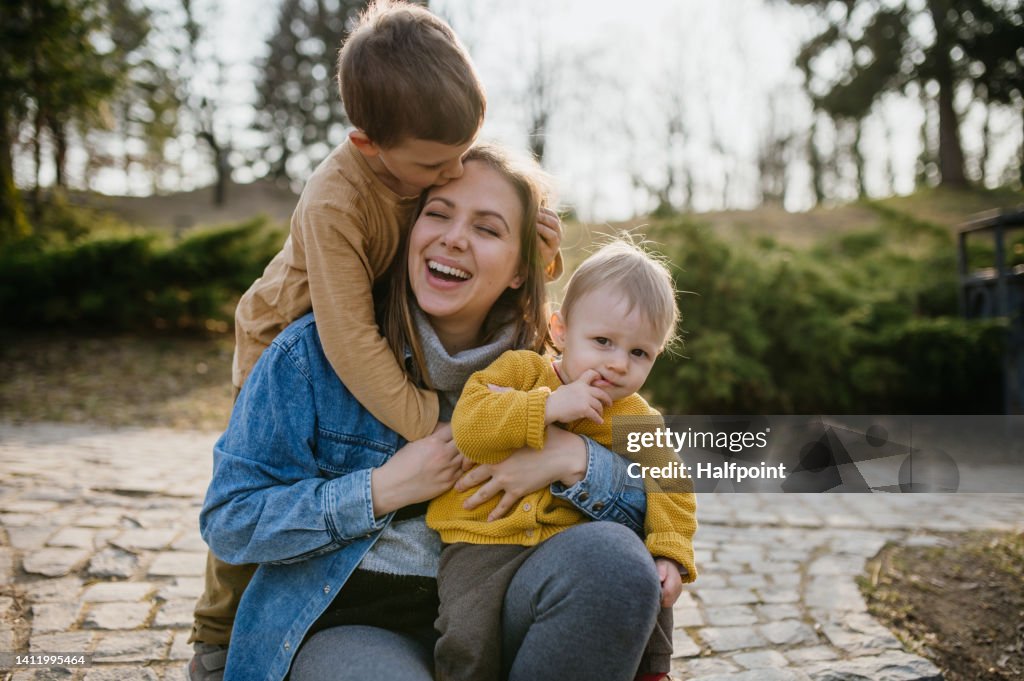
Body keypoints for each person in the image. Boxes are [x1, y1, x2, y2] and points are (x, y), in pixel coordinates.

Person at [187, 2, 562, 677]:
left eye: (459, 157)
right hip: (295, 331)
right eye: (437, 176)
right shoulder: (335, 202)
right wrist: (427, 427)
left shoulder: (418, 160)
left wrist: (535, 250)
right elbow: (349, 339)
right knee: (258, 464)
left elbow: (477, 232)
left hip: (368, 329)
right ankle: (217, 633)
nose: (451, 177)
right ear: (369, 146)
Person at [199, 144, 664, 681]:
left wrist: (575, 460)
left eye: (488, 229)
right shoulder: (311, 357)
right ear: (409, 233)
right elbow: (230, 521)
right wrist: (381, 489)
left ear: (519, 269)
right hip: (357, 626)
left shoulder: (560, 372)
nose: (455, 238)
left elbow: (665, 494)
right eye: (438, 214)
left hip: (497, 611)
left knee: (615, 564)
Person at [427, 239, 698, 681]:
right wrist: (547, 407)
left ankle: (650, 674)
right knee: (468, 638)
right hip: (482, 540)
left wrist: (670, 553)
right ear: (560, 331)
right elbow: (470, 427)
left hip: (568, 550)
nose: (617, 364)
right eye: (603, 341)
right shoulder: (521, 372)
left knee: (646, 579)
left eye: (638, 353)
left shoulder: (636, 418)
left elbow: (671, 485)